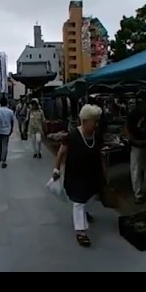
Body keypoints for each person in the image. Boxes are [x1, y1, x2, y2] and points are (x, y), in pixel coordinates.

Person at [52, 104, 105, 248]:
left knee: (92, 195)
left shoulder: (97, 136)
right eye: (94, 121)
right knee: (79, 202)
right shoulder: (73, 135)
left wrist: (103, 171)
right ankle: (80, 231)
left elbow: (100, 154)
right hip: (76, 174)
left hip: (93, 173)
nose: (96, 124)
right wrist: (56, 170)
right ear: (86, 121)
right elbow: (61, 153)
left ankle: (85, 213)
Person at [127, 91, 146, 205]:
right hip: (137, 145)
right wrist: (132, 140)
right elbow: (128, 128)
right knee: (136, 170)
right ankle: (138, 194)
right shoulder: (134, 114)